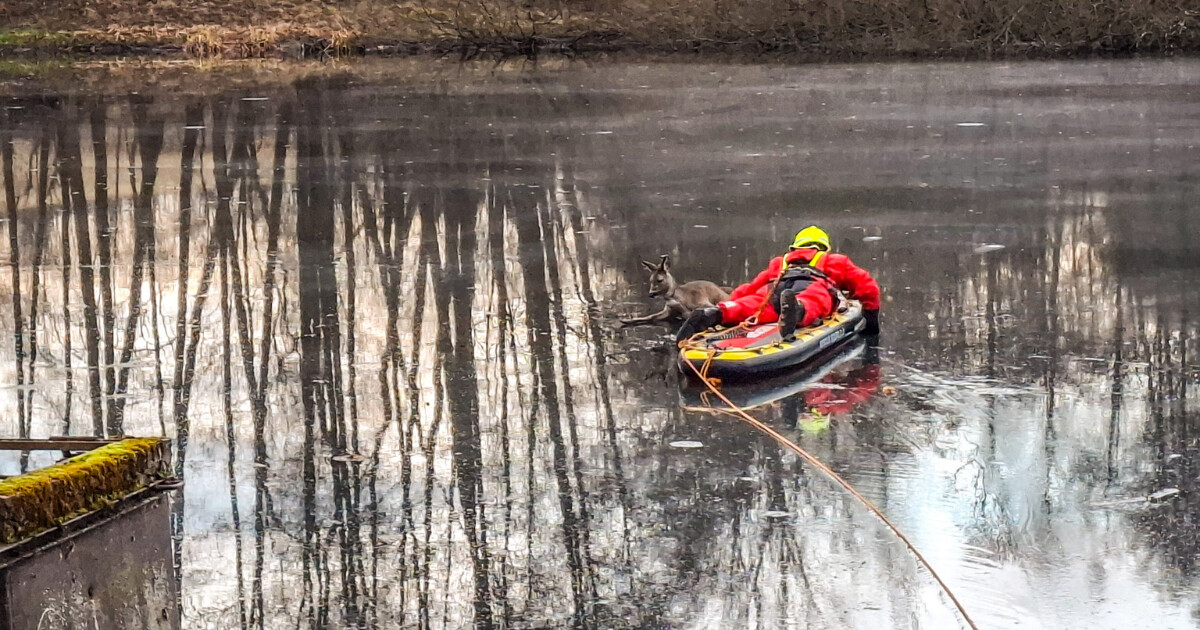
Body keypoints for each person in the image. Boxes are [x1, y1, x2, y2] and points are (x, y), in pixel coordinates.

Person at [675, 225, 881, 342]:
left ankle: (718, 312)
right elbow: (867, 287)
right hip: (813, 285)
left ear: (794, 247)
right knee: (815, 301)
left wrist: (733, 300)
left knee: (756, 304)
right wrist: (871, 319)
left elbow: (751, 288)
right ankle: (798, 310)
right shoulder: (834, 261)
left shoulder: (780, 262)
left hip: (775, 287)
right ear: (824, 247)